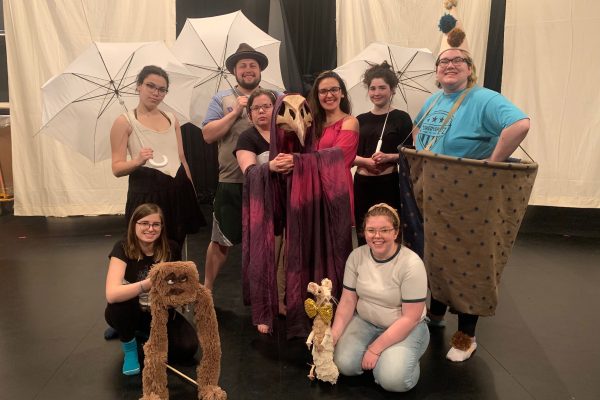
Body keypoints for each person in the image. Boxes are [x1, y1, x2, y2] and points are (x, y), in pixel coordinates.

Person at [411, 4, 530, 362]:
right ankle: (435, 314)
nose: (449, 65)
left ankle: (467, 335)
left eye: (457, 61)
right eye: (443, 62)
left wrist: (490, 164)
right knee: (437, 255)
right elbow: (419, 130)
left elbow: (520, 124)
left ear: (469, 70)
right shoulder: (433, 100)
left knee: (470, 261)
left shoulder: (484, 98)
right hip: (435, 196)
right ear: (436, 71)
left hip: (469, 197)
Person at [331, 203, 429, 392]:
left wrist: (375, 349)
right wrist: (334, 334)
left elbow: (410, 318)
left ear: (395, 232)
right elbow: (348, 300)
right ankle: (384, 358)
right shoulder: (356, 256)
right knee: (344, 365)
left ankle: (403, 358)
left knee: (393, 380)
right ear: (364, 232)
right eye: (371, 230)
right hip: (366, 322)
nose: (377, 236)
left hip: (404, 327)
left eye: (384, 230)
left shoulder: (411, 264)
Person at [201, 43, 271, 291]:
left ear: (260, 69)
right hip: (231, 181)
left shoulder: (273, 97)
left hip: (267, 182)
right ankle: (206, 289)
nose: (248, 69)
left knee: (268, 240)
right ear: (235, 71)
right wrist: (236, 112)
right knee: (221, 241)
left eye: (253, 65)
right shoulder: (221, 98)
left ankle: (267, 292)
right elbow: (208, 135)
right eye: (243, 66)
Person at [110, 65, 203, 247]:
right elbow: (116, 168)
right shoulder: (124, 121)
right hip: (147, 191)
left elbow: (181, 158)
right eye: (150, 86)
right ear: (139, 86)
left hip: (177, 187)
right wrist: (137, 161)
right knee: (147, 248)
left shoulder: (171, 118)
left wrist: (190, 192)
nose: (155, 93)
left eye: (162, 89)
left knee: (176, 244)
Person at [104, 203, 197, 375]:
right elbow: (111, 294)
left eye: (156, 224)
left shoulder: (171, 248)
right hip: (130, 309)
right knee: (120, 304)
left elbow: (177, 285)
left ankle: (139, 331)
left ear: (162, 227)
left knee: (187, 348)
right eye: (144, 223)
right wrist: (146, 284)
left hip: (159, 311)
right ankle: (130, 347)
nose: (150, 228)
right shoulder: (122, 248)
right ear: (134, 225)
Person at [234, 88, 293, 333]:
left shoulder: (287, 133)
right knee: (264, 257)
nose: (261, 111)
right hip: (263, 206)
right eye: (256, 108)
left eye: (266, 106)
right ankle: (262, 310)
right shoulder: (247, 138)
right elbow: (249, 172)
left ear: (275, 109)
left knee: (285, 257)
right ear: (249, 114)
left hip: (289, 202)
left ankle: (279, 301)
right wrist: (270, 165)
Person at [353, 62, 413, 245]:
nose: (376, 93)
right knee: (365, 233)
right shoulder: (359, 120)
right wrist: (364, 161)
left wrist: (390, 157)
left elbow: (410, 153)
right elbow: (348, 155)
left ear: (392, 90)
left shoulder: (401, 118)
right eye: (372, 88)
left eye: (382, 88)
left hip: (389, 184)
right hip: (363, 185)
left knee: (389, 231)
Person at [307, 70, 359, 220]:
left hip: (336, 190)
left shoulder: (350, 122)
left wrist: (300, 161)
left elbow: (338, 158)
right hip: (311, 190)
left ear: (342, 93)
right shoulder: (311, 124)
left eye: (334, 90)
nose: (329, 95)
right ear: (317, 96)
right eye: (323, 91)